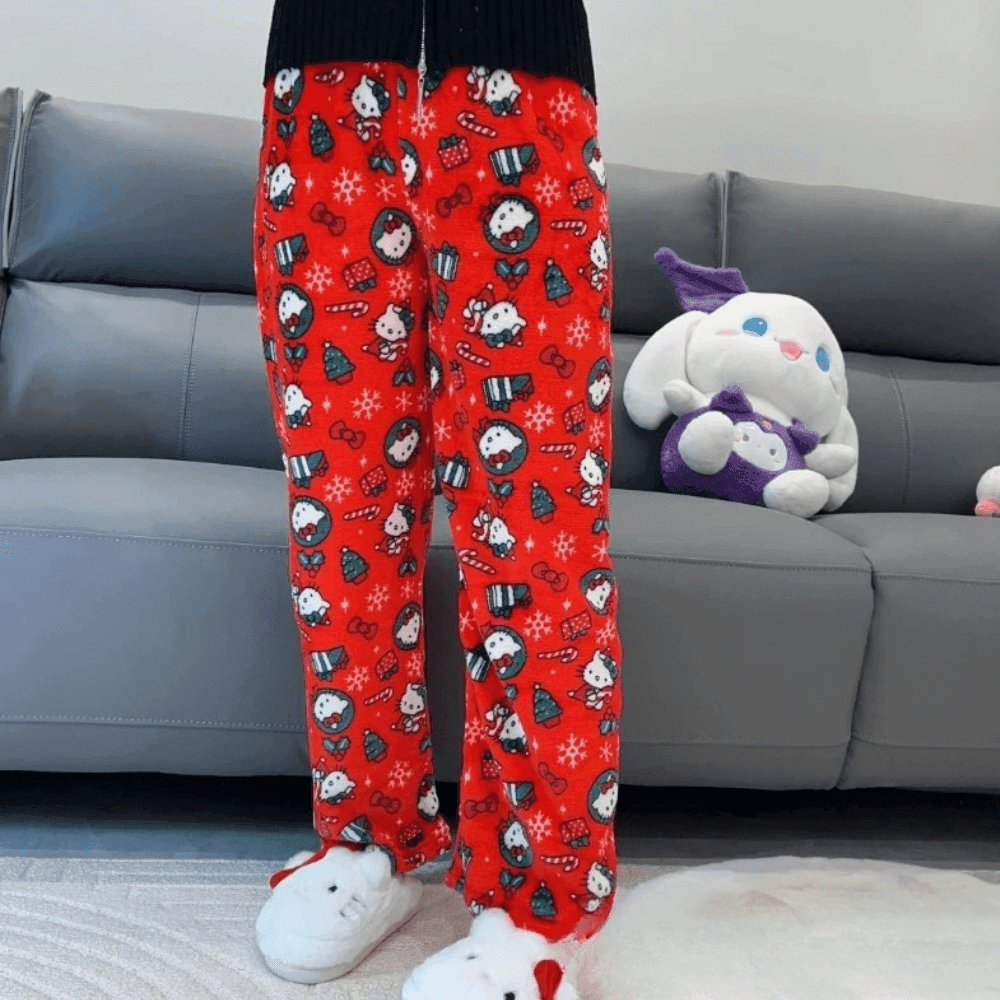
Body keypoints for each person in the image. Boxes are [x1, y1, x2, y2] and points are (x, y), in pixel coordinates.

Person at [251, 0, 623, 984]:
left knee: (539, 529)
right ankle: (366, 835)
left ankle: (542, 909)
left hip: (520, 85)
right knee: (341, 513)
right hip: (323, 88)